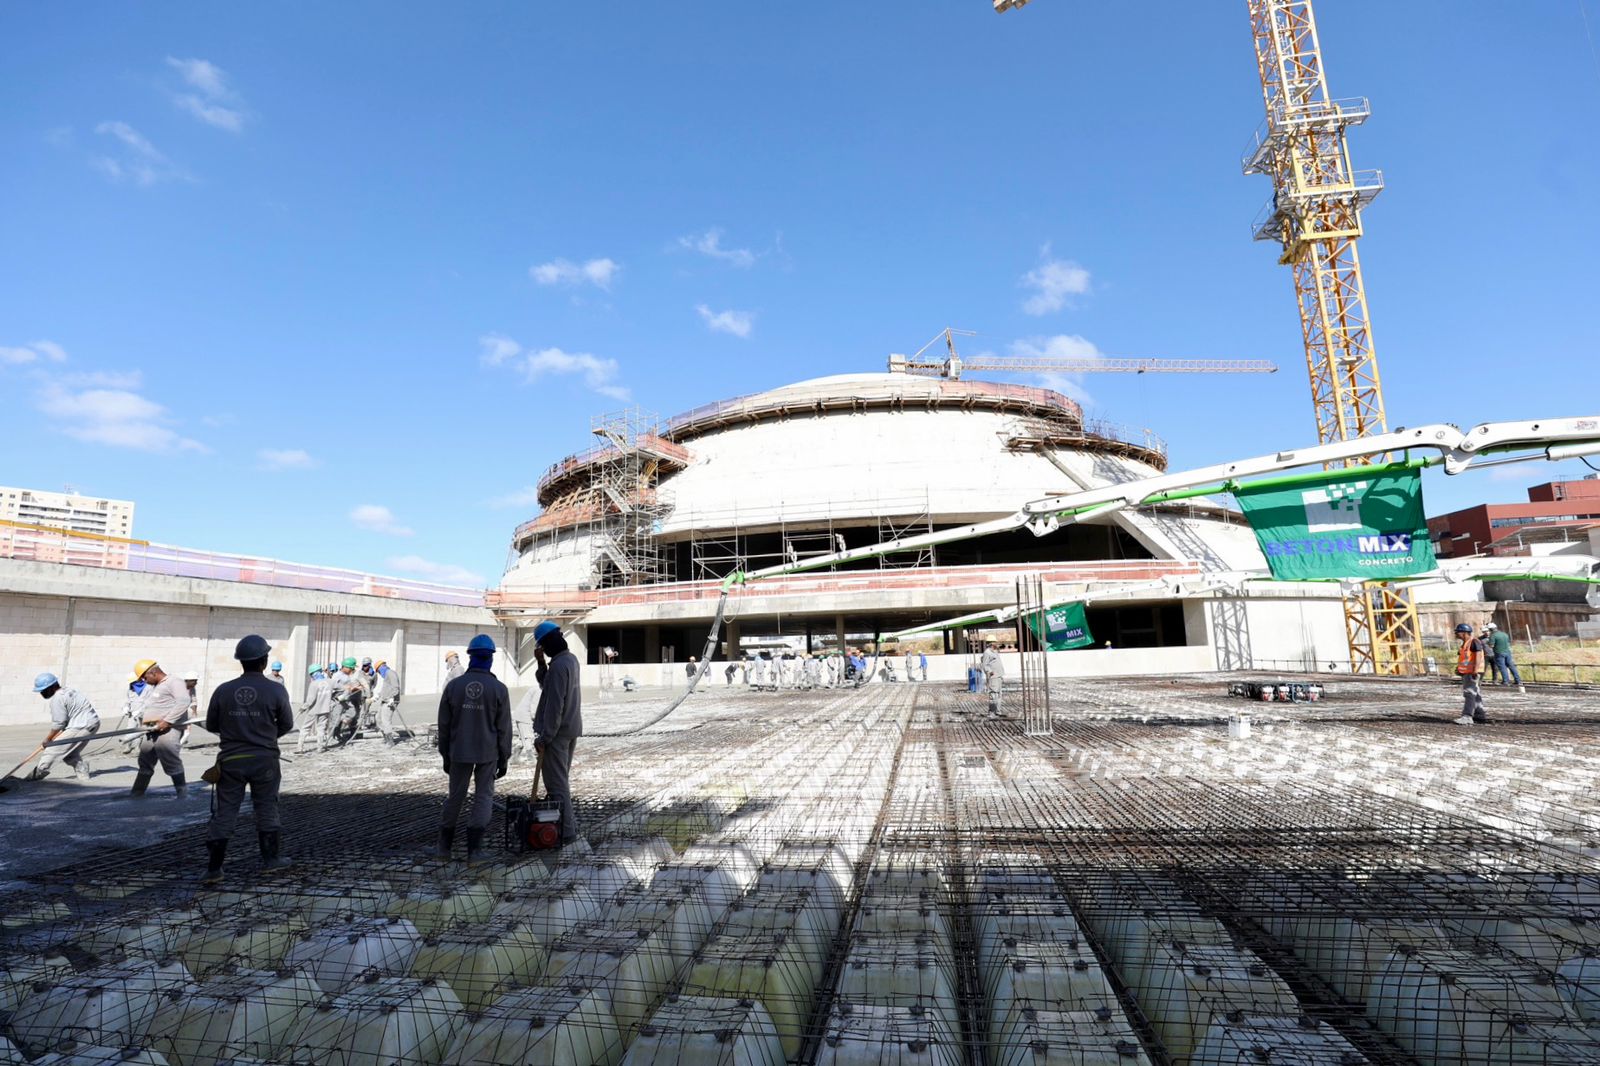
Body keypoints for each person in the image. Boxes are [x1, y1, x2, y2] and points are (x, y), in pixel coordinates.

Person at [201, 635, 295, 884]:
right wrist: (264, 736)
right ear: (264, 661)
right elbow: (287, 724)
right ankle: (271, 861)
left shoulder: (223, 690)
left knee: (226, 812)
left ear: (241, 662)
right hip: (264, 760)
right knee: (266, 807)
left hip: (231, 760)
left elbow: (211, 724)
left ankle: (214, 869)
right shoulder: (276, 689)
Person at [434, 633, 512, 862]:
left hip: (459, 751)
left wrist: (445, 755)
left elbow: (444, 725)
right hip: (488, 753)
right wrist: (504, 757)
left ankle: (443, 848)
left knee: (455, 797)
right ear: (490, 659)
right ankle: (475, 851)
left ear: (470, 657)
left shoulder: (454, 686)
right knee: (483, 797)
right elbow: (504, 728)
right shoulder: (499, 689)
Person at [532, 620, 583, 846]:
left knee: (557, 785)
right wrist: (542, 663)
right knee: (560, 782)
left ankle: (568, 834)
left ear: (548, 643)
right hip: (570, 729)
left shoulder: (560, 666)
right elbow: (548, 685)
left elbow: (555, 705)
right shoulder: (568, 661)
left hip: (558, 733)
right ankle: (564, 829)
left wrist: (545, 737)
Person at [131, 658, 192, 798]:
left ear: (153, 672)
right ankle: (137, 793)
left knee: (170, 759)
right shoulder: (155, 686)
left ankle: (182, 795)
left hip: (167, 729)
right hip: (151, 729)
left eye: (145, 677)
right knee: (145, 760)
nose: (144, 681)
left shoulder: (174, 682)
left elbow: (184, 701)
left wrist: (168, 721)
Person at [28, 672, 99, 781]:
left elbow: (59, 724)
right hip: (92, 722)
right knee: (68, 752)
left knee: (52, 749)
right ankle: (81, 767)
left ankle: (37, 774)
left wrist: (48, 739)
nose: (42, 693)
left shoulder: (57, 698)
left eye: (43, 690)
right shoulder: (69, 691)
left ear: (51, 687)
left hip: (81, 725)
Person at [1454, 622, 1488, 725]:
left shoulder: (1474, 642)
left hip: (1472, 672)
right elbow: (1465, 659)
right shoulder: (1466, 643)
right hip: (1468, 672)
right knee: (1475, 693)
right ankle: (1479, 714)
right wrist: (1459, 669)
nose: (1456, 634)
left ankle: (1467, 716)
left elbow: (1478, 656)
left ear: (1464, 633)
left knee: (1469, 693)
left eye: (1457, 632)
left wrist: (1475, 670)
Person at [297, 665, 336, 753]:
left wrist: (303, 707)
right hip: (325, 709)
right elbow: (341, 688)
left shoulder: (313, 684)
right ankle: (320, 748)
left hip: (313, 710)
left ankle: (300, 747)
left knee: (305, 728)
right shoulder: (330, 682)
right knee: (321, 729)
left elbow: (310, 700)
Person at [373, 660, 404, 743]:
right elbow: (386, 688)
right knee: (378, 718)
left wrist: (392, 698)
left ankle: (390, 741)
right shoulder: (387, 675)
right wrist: (378, 695)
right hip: (385, 700)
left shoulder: (390, 673)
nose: (379, 673)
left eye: (378, 671)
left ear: (381, 667)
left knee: (385, 720)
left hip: (390, 701)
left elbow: (396, 687)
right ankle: (386, 737)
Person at [980, 641, 1004, 718]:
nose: (997, 644)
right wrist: (990, 672)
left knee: (999, 694)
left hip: (999, 675)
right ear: (991, 644)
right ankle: (992, 712)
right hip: (993, 677)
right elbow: (984, 664)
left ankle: (998, 711)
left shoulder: (995, 651)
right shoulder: (987, 652)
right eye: (995, 642)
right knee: (993, 694)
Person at [180, 672, 200, 748]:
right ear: (188, 680)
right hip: (173, 713)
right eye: (194, 681)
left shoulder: (192, 688)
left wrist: (194, 712)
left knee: (185, 730)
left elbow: (193, 699)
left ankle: (178, 745)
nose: (196, 683)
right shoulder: (178, 688)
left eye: (196, 681)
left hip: (184, 712)